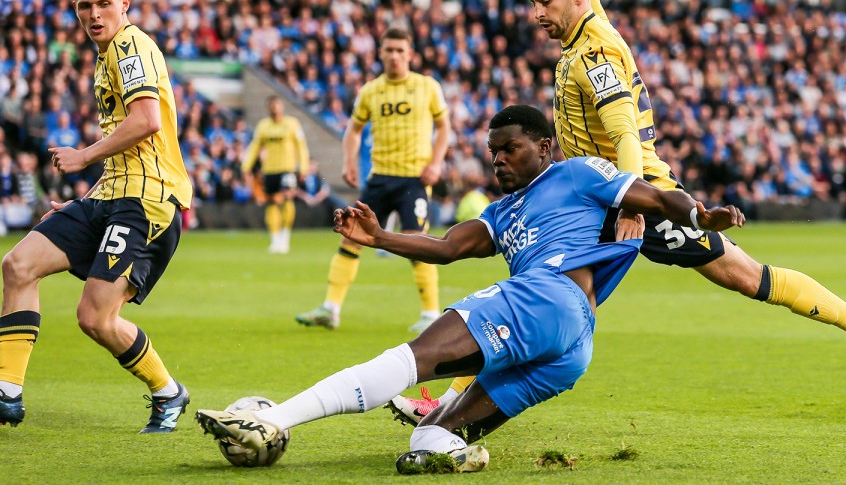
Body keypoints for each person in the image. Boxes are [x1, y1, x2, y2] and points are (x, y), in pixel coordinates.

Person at [388, 0, 846, 424]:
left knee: (743, 276)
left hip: (632, 194)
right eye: (534, 2)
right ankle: (451, 405)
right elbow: (586, 13)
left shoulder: (594, 51)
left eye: (545, 2)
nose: (536, 14)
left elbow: (623, 130)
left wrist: (628, 201)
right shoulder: (584, 24)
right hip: (587, 196)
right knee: (540, 300)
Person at [195, 104, 744, 473]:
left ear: (545, 147)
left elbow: (654, 197)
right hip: (570, 348)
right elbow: (446, 248)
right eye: (493, 152)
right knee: (428, 439)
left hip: (547, 296)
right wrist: (379, 235)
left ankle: (271, 421)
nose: (499, 158)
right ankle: (459, 453)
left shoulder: (577, 174)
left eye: (511, 148)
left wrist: (698, 213)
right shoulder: (502, 211)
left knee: (410, 358)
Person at [0, 0, 192, 432]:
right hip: (111, 195)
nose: (94, 14)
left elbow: (147, 120)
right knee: (18, 266)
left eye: (104, 3)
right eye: (85, 6)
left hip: (146, 203)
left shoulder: (130, 46)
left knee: (96, 317)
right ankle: (6, 390)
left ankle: (169, 392)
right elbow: (133, 144)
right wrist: (89, 198)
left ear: (124, 3)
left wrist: (83, 156)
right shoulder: (107, 54)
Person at [295, 28, 451, 333]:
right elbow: (353, 130)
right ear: (380, 54)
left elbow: (444, 127)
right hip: (379, 177)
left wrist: (436, 162)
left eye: (399, 50)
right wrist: (349, 162)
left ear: (409, 54)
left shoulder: (427, 87)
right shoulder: (370, 91)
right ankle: (331, 309)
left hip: (413, 177)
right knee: (351, 235)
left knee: (416, 241)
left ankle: (431, 314)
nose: (393, 55)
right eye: (388, 50)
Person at [241, 96, 309, 254]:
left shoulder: (292, 124)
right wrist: (246, 167)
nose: (274, 108)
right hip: (269, 170)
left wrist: (303, 167)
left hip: (287, 169)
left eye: (276, 105)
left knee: (286, 199)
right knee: (271, 203)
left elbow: (301, 146)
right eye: (271, 105)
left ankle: (285, 237)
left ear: (282, 106)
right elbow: (254, 146)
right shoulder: (263, 126)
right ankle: (275, 239)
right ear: (268, 107)